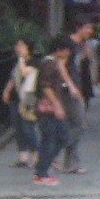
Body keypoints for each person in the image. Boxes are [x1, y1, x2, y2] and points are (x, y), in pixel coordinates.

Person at [33, 36, 77, 184]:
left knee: (57, 137)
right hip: (48, 109)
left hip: (51, 107)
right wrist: (57, 105)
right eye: (67, 50)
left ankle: (43, 167)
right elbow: (46, 87)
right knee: (53, 139)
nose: (69, 54)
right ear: (60, 50)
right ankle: (42, 171)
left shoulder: (53, 62)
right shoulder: (49, 64)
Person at [63, 20, 97, 173]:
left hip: (77, 87)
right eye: (87, 27)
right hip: (68, 90)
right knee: (79, 123)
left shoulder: (81, 45)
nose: (90, 30)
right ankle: (57, 150)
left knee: (75, 124)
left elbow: (79, 64)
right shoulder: (69, 44)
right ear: (79, 27)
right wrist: (70, 85)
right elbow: (61, 65)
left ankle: (70, 162)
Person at [2, 38, 38, 167]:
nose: (18, 48)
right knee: (17, 127)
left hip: (28, 97)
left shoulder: (33, 62)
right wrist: (7, 91)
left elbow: (24, 73)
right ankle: (23, 156)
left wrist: (22, 59)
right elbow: (13, 77)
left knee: (28, 127)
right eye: (17, 45)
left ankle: (35, 154)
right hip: (16, 97)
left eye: (21, 45)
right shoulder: (17, 61)